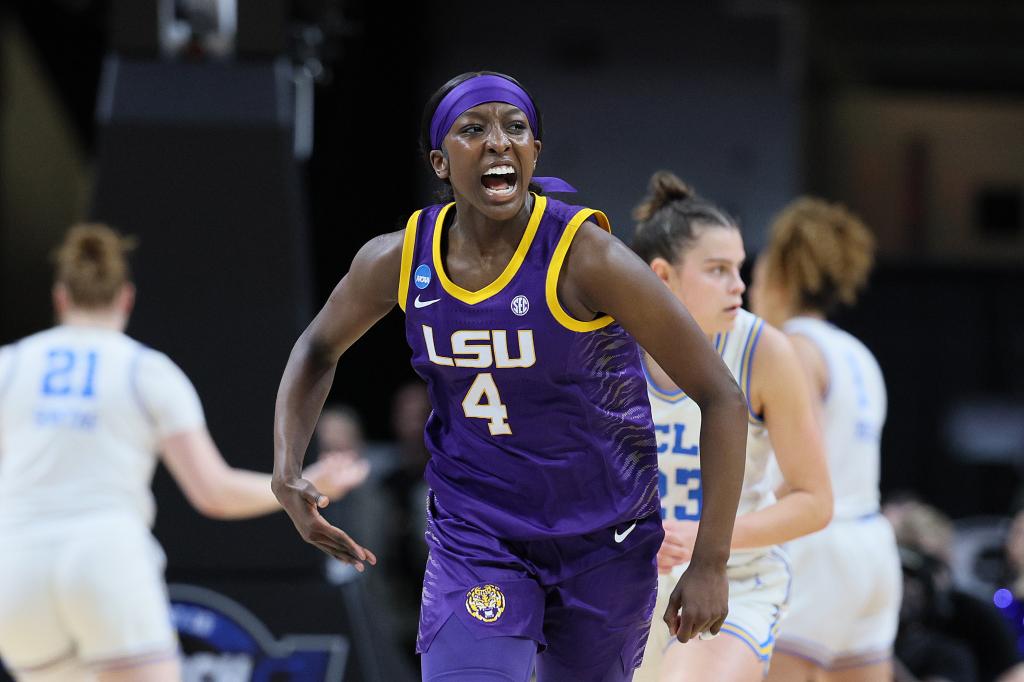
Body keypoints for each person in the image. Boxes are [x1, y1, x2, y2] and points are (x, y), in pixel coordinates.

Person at [271, 71, 749, 681]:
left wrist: (711, 561)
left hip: (605, 537)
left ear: (534, 153)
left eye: (515, 128)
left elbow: (722, 397)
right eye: (474, 130)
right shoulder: (397, 257)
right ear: (441, 163)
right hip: (479, 532)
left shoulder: (586, 257)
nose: (499, 142)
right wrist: (286, 470)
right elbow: (315, 349)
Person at [0, 224, 366, 682]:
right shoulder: (144, 370)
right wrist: (308, 481)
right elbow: (213, 491)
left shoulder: (9, 365)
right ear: (126, 298)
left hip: (16, 562)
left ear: (60, 297)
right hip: (104, 554)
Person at [629, 172, 832, 682]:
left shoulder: (763, 350)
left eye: (739, 268)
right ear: (662, 276)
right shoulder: (609, 344)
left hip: (736, 578)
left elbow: (815, 500)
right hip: (629, 577)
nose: (739, 285)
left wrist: (708, 539)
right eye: (718, 270)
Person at [751, 198, 902, 681]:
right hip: (873, 548)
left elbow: (794, 468)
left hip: (819, 547)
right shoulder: (859, 353)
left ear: (781, 273)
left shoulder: (792, 348)